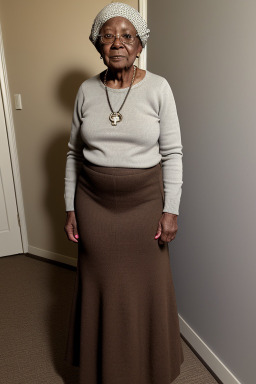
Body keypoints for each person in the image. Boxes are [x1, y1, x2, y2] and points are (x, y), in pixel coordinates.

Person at [64, 2, 184, 383]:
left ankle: (149, 369)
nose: (117, 43)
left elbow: (173, 153)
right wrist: (70, 207)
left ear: (139, 45)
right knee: (101, 287)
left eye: (126, 35)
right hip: (94, 206)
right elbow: (72, 153)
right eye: (108, 35)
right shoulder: (86, 90)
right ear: (98, 44)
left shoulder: (159, 88)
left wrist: (171, 209)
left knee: (146, 288)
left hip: (144, 205)